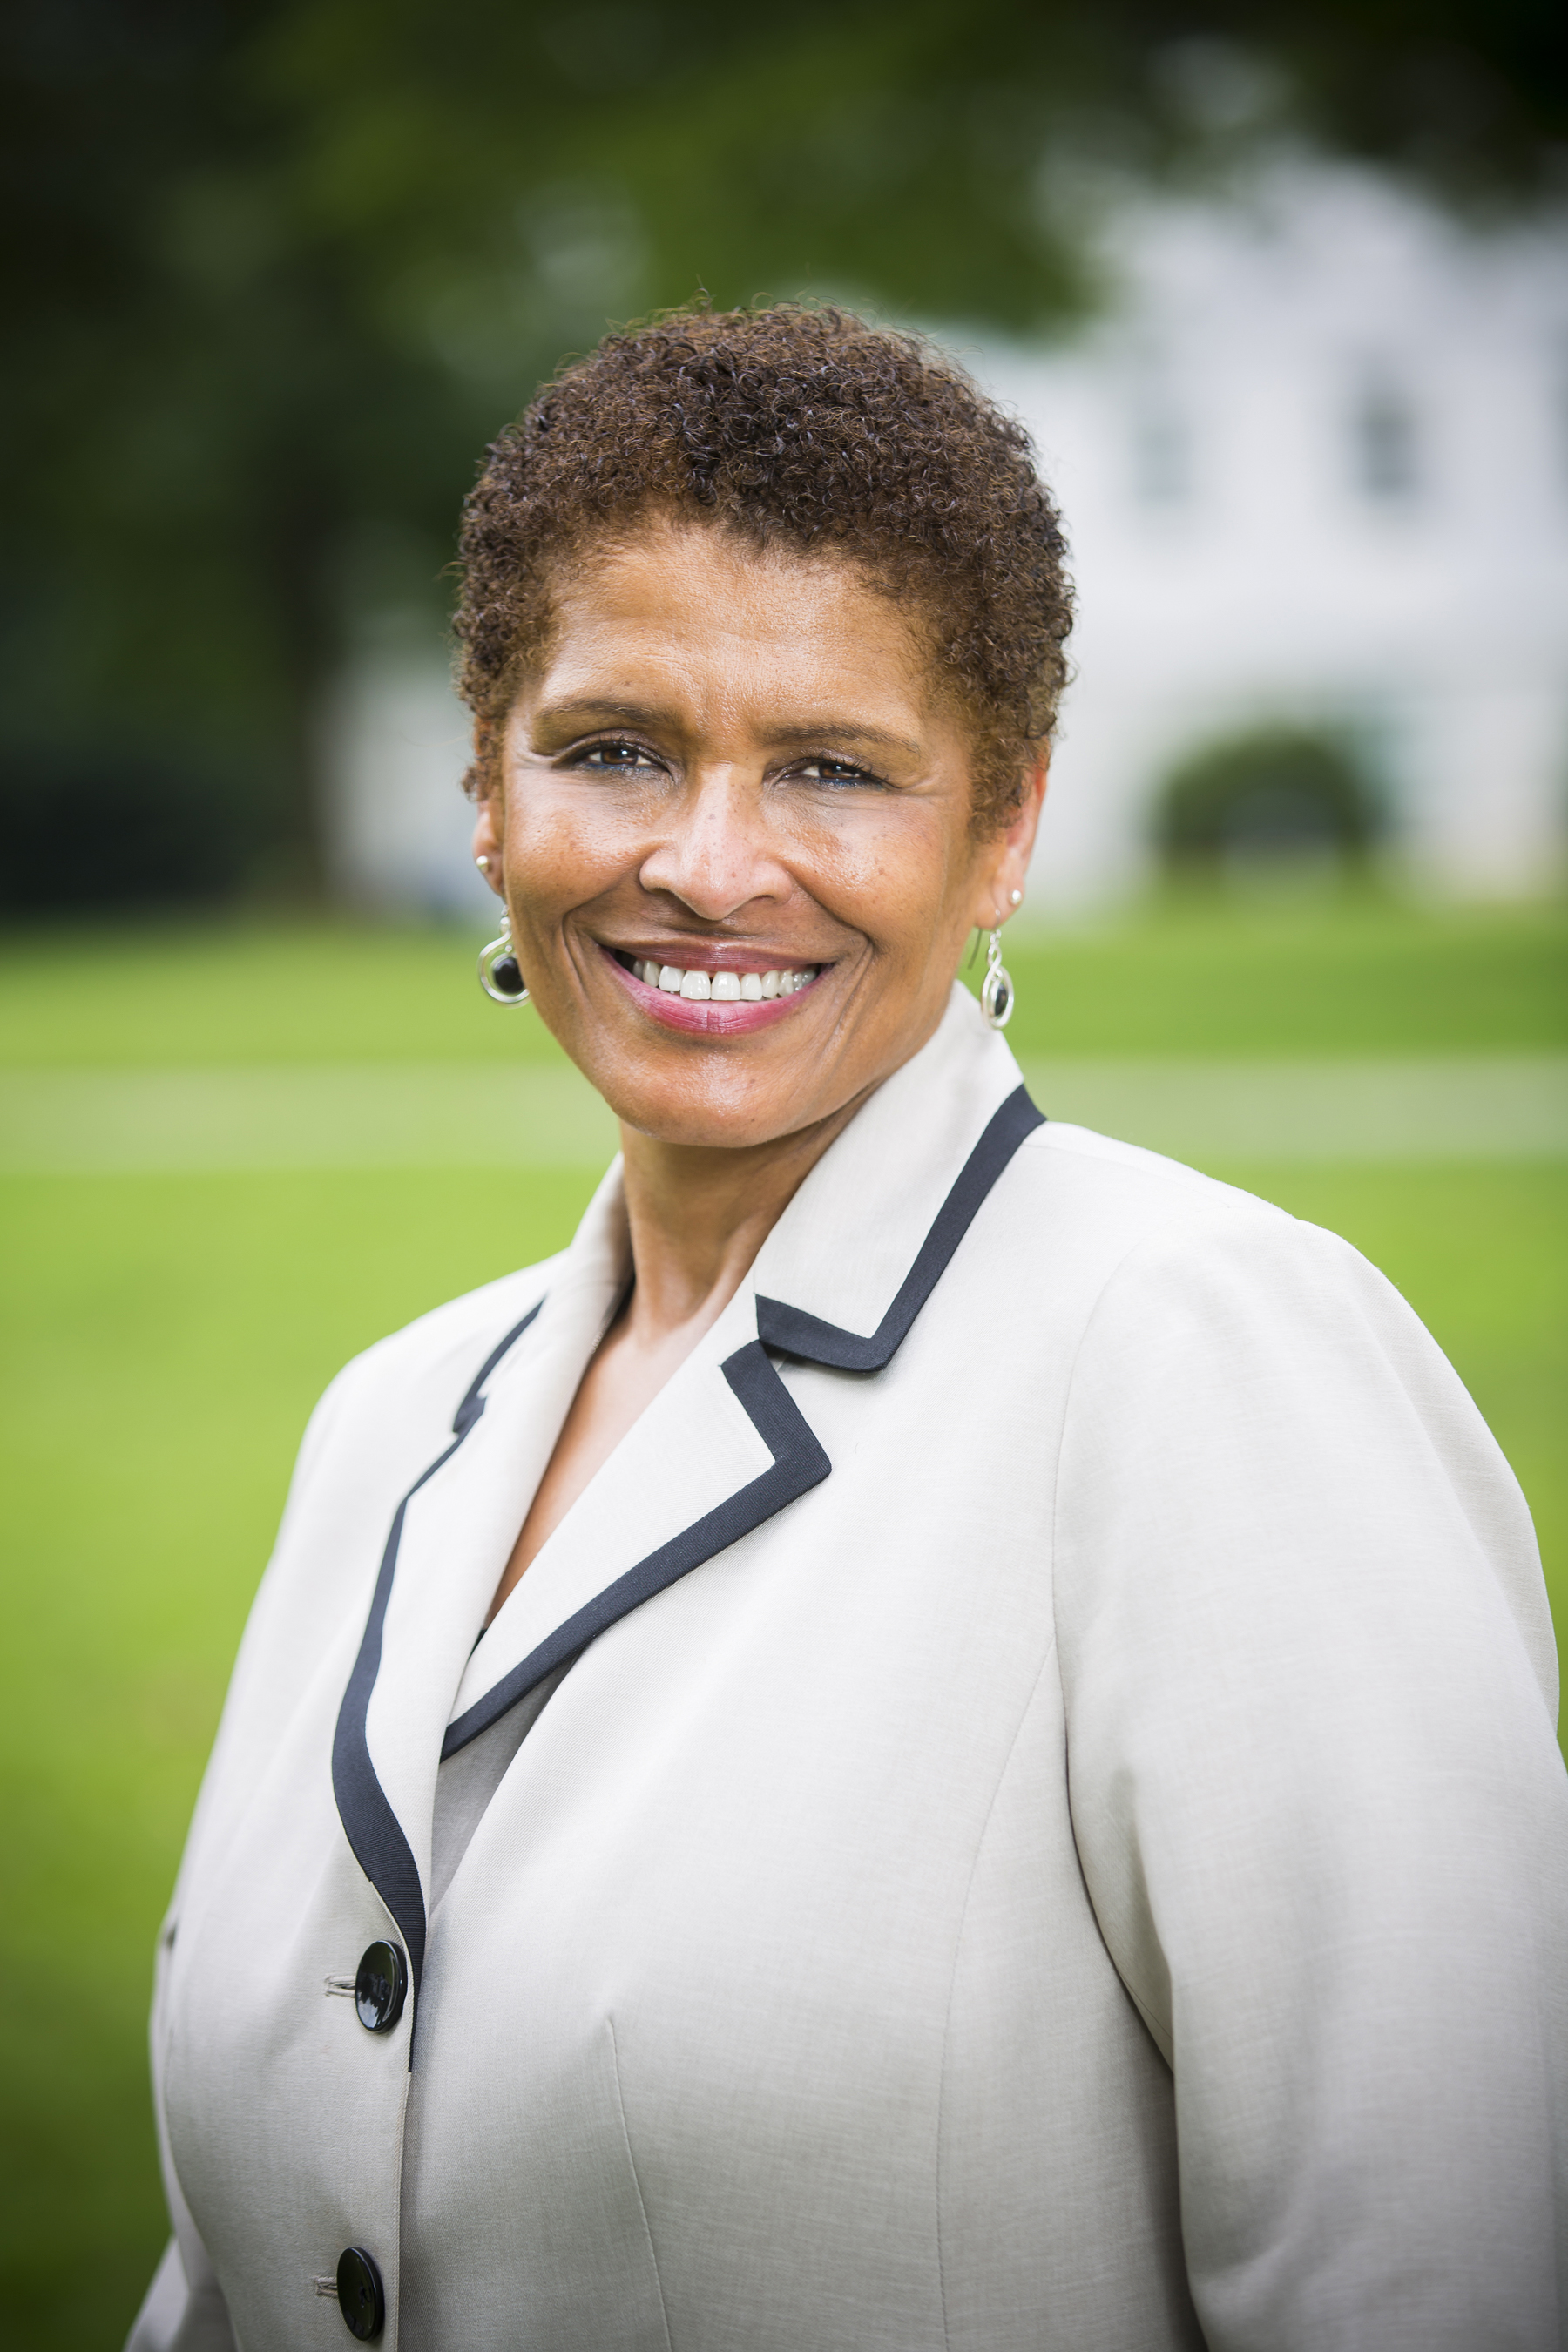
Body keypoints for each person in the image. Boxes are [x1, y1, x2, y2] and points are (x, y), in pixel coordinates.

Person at [129, 305, 1566, 2352]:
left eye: (831, 768)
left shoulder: (1204, 1363)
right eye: (614, 748)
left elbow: (1438, 2280)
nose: (707, 868)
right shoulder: (389, 1424)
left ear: (1002, 832)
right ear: (486, 783)